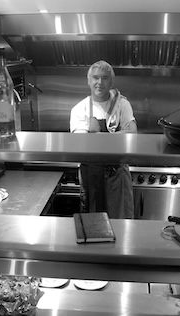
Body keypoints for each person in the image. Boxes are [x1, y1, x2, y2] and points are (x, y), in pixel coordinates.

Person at [70, 60, 137, 219]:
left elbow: (133, 134)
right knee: (93, 224)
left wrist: (96, 136)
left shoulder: (122, 104)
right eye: (95, 78)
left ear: (111, 81)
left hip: (118, 176)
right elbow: (82, 143)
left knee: (121, 223)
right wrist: (119, 135)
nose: (99, 82)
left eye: (105, 78)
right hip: (91, 178)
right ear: (88, 81)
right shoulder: (80, 109)